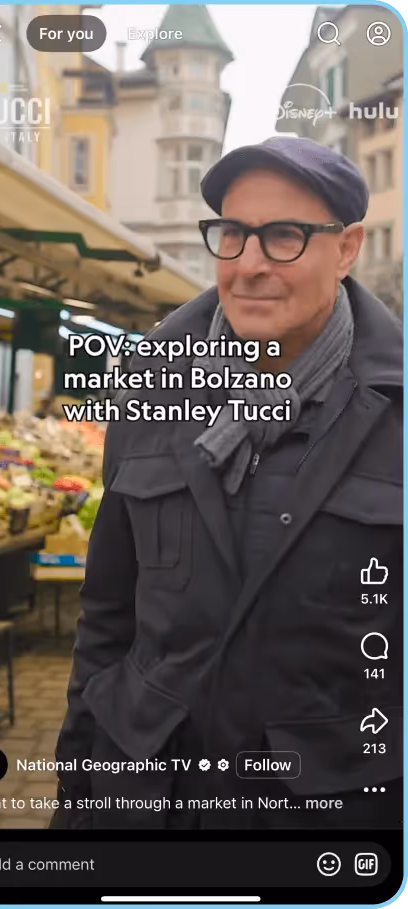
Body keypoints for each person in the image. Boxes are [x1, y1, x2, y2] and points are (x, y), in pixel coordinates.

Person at [50, 136, 402, 831]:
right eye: (232, 234)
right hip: (147, 806)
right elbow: (108, 615)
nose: (248, 266)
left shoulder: (397, 411)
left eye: (283, 237)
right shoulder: (151, 387)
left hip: (323, 822)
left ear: (347, 246)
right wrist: (76, 803)